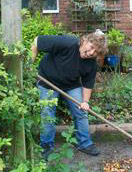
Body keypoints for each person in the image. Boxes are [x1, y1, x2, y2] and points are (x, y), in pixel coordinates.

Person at [31, 30, 107, 160]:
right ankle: (46, 146)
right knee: (47, 113)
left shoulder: (91, 63)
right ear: (85, 41)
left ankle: (84, 144)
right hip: (47, 81)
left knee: (81, 112)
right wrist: (29, 66)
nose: (91, 53)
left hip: (70, 84)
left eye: (95, 53)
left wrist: (85, 102)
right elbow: (37, 41)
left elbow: (88, 84)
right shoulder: (68, 43)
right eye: (91, 48)